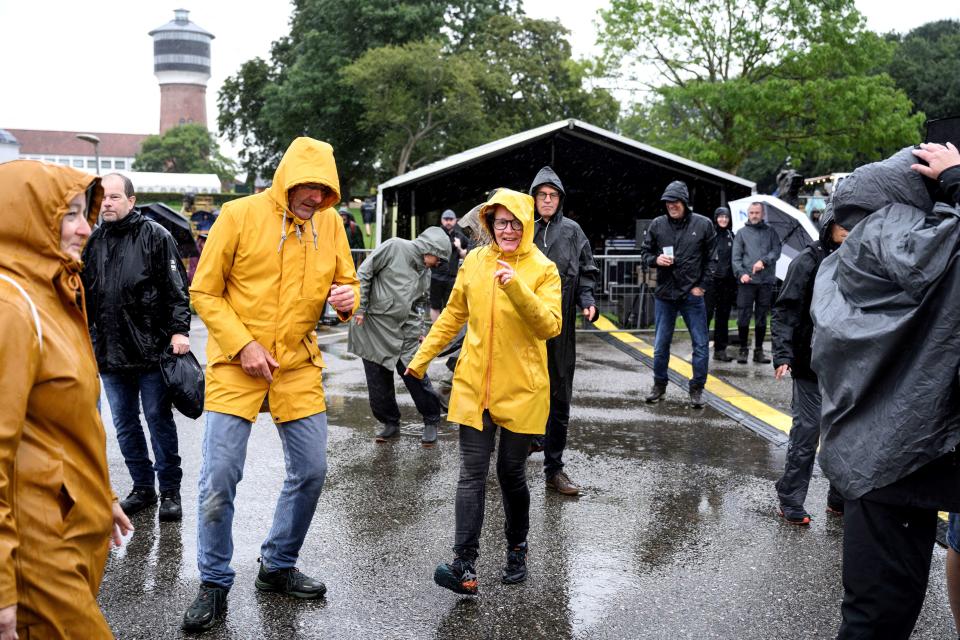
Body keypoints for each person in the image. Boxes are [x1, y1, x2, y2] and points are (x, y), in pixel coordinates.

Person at [182, 137, 359, 632]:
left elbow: (347, 288)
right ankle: (214, 582)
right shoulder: (238, 215)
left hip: (297, 364)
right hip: (237, 363)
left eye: (326, 190)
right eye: (309, 187)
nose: (316, 198)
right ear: (288, 179)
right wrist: (243, 345)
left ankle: (278, 566)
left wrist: (349, 299)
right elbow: (204, 291)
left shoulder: (330, 225)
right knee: (219, 478)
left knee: (312, 469)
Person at [811, 141, 960, 639]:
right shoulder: (929, 245)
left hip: (869, 456)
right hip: (921, 452)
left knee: (874, 612)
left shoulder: (841, 262)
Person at [405, 188, 561, 594]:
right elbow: (454, 313)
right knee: (471, 475)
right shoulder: (474, 260)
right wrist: (422, 359)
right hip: (475, 385)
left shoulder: (543, 269)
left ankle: (517, 547)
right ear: (489, 225)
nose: (507, 230)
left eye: (514, 223)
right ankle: (464, 564)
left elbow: (549, 326)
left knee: (510, 475)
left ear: (527, 225)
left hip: (522, 388)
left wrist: (515, 286)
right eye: (499, 223)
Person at [0, 161, 132, 637]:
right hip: (36, 547)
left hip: (69, 520)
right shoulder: (12, 308)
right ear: (28, 217)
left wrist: (103, 496)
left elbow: (70, 422)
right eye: (71, 214)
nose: (86, 227)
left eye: (86, 213)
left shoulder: (54, 292)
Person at [81, 173, 192, 522]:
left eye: (115, 197)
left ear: (131, 200)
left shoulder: (156, 236)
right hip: (110, 353)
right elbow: (83, 293)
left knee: (159, 420)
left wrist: (178, 331)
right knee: (125, 423)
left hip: (150, 348)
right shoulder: (93, 241)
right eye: (103, 198)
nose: (108, 204)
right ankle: (143, 488)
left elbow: (177, 289)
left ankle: (170, 491)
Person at [771, 205, 848, 525]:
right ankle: (790, 496)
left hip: (845, 365)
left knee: (843, 433)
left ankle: (839, 497)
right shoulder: (808, 260)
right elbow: (785, 310)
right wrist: (783, 356)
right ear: (828, 225)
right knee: (807, 433)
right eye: (842, 224)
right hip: (808, 363)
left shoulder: (859, 259)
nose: (848, 229)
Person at [527, 166, 599, 496]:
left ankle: (554, 468)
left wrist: (587, 300)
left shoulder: (572, 230)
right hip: (524, 320)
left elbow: (587, 269)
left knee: (559, 391)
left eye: (552, 195)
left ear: (560, 199)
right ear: (533, 197)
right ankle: (514, 452)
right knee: (520, 386)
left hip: (561, 320)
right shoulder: (522, 228)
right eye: (541, 195)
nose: (546, 200)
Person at [348, 226, 450, 446]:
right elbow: (364, 273)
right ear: (430, 250)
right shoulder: (394, 247)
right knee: (377, 379)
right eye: (439, 260)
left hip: (405, 330)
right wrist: (360, 307)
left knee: (415, 373)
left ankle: (431, 420)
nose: (438, 264)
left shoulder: (425, 271)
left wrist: (420, 331)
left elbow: (420, 302)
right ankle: (389, 423)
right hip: (374, 324)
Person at [640, 180, 715, 407]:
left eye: (675, 201)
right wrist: (655, 260)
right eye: (668, 202)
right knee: (661, 344)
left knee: (700, 344)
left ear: (684, 202)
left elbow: (713, 259)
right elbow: (644, 254)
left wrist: (702, 286)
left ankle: (697, 388)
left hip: (692, 295)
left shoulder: (703, 224)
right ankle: (659, 385)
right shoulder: (657, 225)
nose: (671, 205)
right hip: (665, 294)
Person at [731, 201, 781, 364]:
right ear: (748, 213)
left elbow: (776, 251)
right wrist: (741, 274)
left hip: (765, 281)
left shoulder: (771, 232)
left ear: (762, 214)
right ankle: (743, 349)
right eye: (751, 212)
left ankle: (758, 351)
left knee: (761, 317)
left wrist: (764, 261)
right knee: (743, 316)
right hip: (747, 281)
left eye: (757, 212)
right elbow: (736, 258)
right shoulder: (741, 233)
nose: (754, 215)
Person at [704, 206, 737, 362]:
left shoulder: (732, 236)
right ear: (716, 218)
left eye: (726, 217)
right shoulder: (710, 236)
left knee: (723, 317)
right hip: (711, 282)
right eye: (720, 216)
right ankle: (701, 347)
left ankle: (720, 349)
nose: (723, 219)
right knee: (706, 315)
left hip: (727, 283)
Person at [429, 209, 470, 322]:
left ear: (455, 220)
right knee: (435, 305)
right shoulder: (435, 234)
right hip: (436, 276)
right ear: (442, 220)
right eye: (445, 219)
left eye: (450, 219)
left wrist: (459, 247)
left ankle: (448, 336)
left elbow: (467, 255)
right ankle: (435, 332)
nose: (448, 222)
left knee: (451, 307)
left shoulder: (460, 236)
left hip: (452, 277)